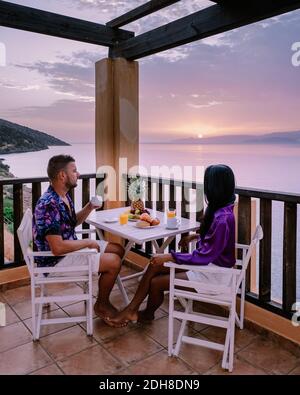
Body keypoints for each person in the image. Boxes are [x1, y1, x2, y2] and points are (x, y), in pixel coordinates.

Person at [107, 164, 236, 327]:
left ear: (215, 187)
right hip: (207, 265)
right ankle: (133, 311)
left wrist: (171, 256)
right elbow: (215, 243)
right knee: (154, 263)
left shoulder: (223, 218)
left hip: (213, 274)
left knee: (156, 279)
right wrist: (195, 236)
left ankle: (142, 313)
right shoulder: (222, 209)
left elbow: (205, 256)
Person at [33, 154, 125, 322]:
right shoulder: (49, 204)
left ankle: (102, 286)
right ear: (62, 175)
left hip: (69, 251)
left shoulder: (62, 195)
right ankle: (102, 304)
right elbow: (57, 248)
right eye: (74, 171)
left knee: (118, 249)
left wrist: (89, 207)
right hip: (56, 262)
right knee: (113, 261)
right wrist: (88, 242)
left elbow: (71, 222)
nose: (79, 174)